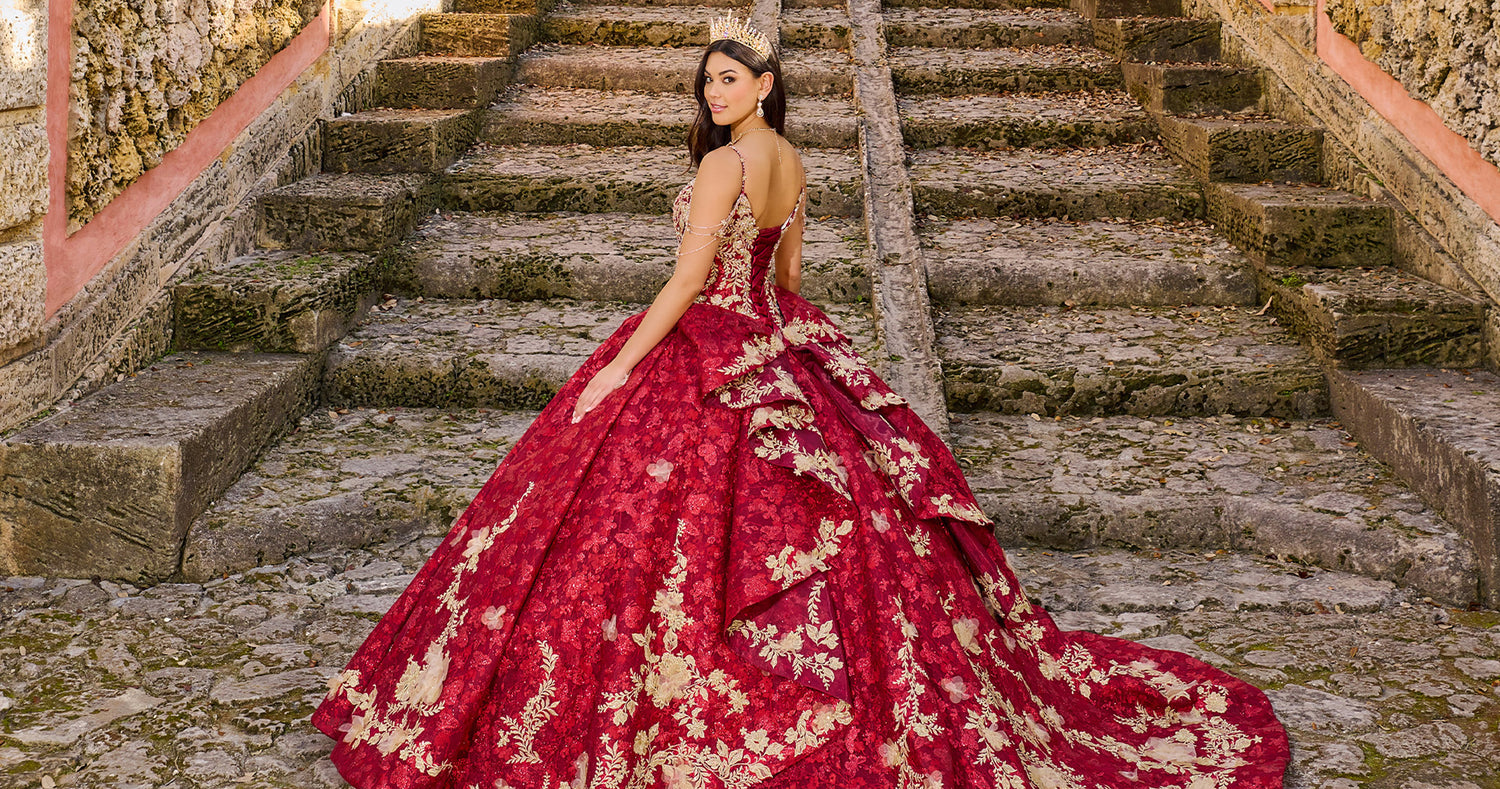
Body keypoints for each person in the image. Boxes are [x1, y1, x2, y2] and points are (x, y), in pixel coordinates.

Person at [312, 15, 1291, 788]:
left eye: (729, 79)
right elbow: (784, 273)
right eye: (707, 80)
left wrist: (614, 371)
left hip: (701, 348)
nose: (714, 91)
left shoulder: (722, 163)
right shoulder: (792, 165)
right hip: (773, 343)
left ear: (765, 86)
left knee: (614, 534)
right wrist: (777, 342)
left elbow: (688, 281)